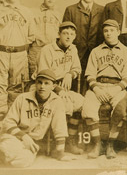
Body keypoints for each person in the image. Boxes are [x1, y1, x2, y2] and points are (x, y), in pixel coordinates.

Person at [0, 69, 77, 168]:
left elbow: (59, 128)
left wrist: (60, 153)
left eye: (46, 83)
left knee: (23, 162)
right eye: (39, 82)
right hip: (14, 137)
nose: (42, 86)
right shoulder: (22, 98)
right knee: (11, 147)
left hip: (32, 142)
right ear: (36, 83)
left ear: (53, 86)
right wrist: (24, 137)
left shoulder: (57, 102)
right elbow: (7, 123)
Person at [0, 0, 35, 130]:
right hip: (0, 52)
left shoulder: (27, 11)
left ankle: (12, 132)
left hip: (20, 54)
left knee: (18, 90)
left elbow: (31, 36)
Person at [82, 19, 127, 159]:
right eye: (105, 31)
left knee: (121, 110)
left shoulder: (126, 52)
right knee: (88, 108)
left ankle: (110, 144)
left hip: (118, 87)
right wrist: (97, 90)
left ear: (118, 32)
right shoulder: (96, 51)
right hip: (98, 86)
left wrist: (116, 90)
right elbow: (90, 75)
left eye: (111, 30)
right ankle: (97, 144)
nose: (108, 33)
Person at [34, 21, 84, 155]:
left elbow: (77, 68)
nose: (68, 37)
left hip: (63, 88)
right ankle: (59, 146)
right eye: (65, 33)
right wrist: (58, 90)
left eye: (72, 34)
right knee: (62, 104)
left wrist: (70, 74)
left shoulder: (73, 48)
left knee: (81, 102)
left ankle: (70, 140)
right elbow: (43, 76)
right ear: (59, 34)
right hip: (44, 88)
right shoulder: (47, 50)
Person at [63, 0, 104, 94]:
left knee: (91, 83)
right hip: (76, 52)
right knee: (74, 83)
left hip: (95, 53)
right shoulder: (71, 10)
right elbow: (65, 34)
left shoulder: (102, 10)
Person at [28, 0, 61, 77]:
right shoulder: (32, 12)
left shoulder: (59, 15)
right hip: (36, 50)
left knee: (51, 78)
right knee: (34, 78)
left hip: (52, 51)